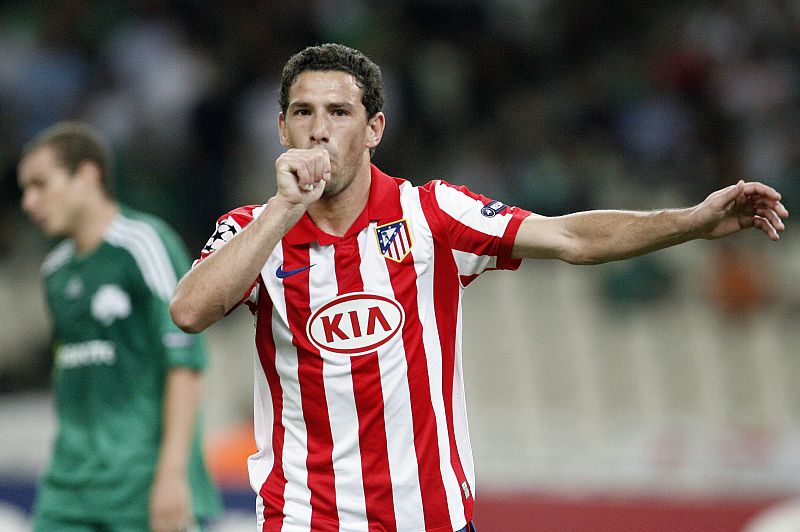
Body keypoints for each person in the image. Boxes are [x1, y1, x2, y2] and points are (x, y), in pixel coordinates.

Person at [169, 43, 789, 532]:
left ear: (374, 128)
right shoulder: (252, 230)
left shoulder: (430, 214)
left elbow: (568, 237)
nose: (319, 130)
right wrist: (285, 208)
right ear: (282, 129)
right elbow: (189, 311)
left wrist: (691, 221)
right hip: (305, 519)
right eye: (303, 113)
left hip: (431, 519)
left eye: (339, 112)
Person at [18, 121, 222, 532]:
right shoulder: (55, 271)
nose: (28, 202)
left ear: (87, 175)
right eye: (24, 190)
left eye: (40, 184)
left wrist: (172, 475)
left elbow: (184, 363)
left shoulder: (144, 242)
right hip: (68, 490)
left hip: (141, 484)